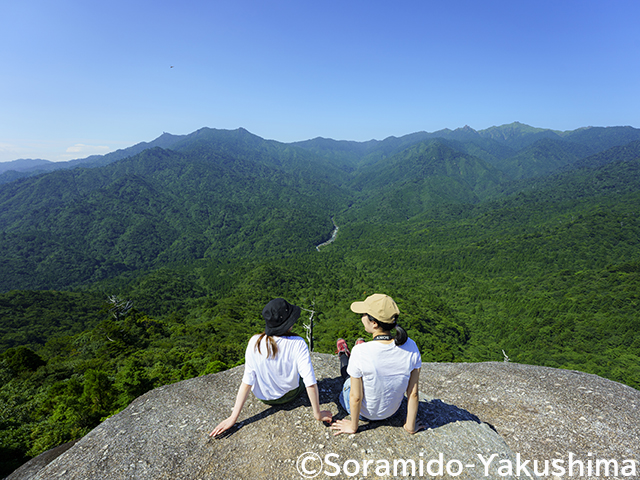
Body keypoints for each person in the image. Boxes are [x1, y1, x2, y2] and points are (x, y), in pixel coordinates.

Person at [210, 298, 333, 437]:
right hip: (290, 395)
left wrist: (233, 417)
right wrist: (317, 414)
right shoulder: (298, 344)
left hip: (264, 397)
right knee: (301, 378)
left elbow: (247, 382)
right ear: (288, 323)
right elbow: (310, 382)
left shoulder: (254, 342)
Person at [330, 293, 423, 436]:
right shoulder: (411, 346)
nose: (361, 317)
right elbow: (413, 393)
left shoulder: (360, 352)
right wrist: (410, 426)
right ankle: (348, 357)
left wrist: (353, 427)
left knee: (349, 381)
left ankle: (343, 354)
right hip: (391, 412)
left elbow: (355, 397)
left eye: (363, 314)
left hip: (363, 414)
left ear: (374, 323)